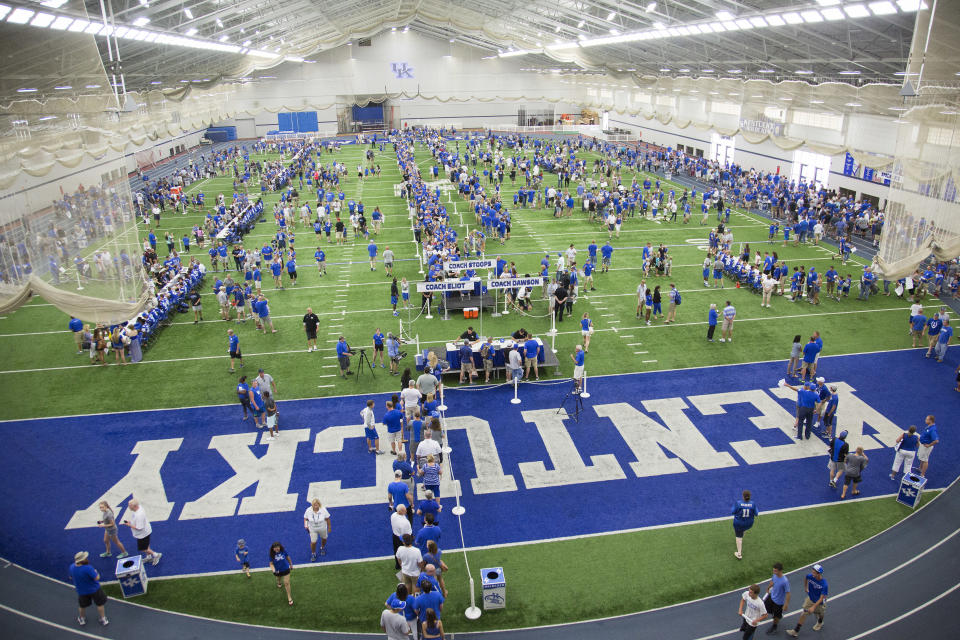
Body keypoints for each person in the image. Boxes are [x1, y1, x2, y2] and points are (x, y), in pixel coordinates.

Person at [785, 564, 828, 636]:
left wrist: (813, 607)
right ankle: (796, 631)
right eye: (812, 571)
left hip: (819, 602)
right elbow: (806, 578)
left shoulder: (824, 584)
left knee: (821, 613)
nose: (812, 573)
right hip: (810, 599)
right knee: (804, 613)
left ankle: (820, 622)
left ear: (819, 574)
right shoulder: (810, 576)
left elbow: (821, 598)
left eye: (814, 573)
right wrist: (805, 587)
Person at [70, 551, 109, 627]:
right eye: (85, 558)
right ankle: (103, 619)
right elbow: (97, 578)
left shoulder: (71, 567)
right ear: (82, 560)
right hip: (94, 589)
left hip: (81, 591)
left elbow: (71, 577)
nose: (86, 558)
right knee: (100, 604)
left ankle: (82, 618)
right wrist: (96, 572)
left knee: (82, 606)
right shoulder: (88, 568)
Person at [122, 498, 161, 565]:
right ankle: (149, 557)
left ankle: (156, 555)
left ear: (134, 506)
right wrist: (131, 522)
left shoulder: (139, 515)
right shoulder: (138, 508)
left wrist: (129, 525)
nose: (128, 507)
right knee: (146, 546)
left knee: (143, 548)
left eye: (130, 505)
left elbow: (139, 528)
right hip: (146, 531)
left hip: (143, 534)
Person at [764, 562, 790, 635]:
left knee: (775, 616)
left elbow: (788, 593)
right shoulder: (774, 575)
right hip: (772, 596)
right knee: (766, 608)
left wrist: (786, 605)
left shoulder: (785, 581)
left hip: (778, 602)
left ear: (780, 571)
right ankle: (778, 615)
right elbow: (772, 581)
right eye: (773, 570)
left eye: (775, 571)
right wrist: (768, 587)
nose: (774, 572)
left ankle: (774, 626)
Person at [732, 489, 757, 560]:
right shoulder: (753, 504)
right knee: (743, 530)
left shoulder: (738, 503)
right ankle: (742, 533)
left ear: (743, 496)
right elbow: (756, 514)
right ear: (750, 496)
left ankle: (739, 554)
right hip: (749, 524)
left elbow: (733, 512)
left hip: (739, 524)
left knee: (738, 537)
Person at [269, 541, 294, 605]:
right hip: (278, 571)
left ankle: (289, 597)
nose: (276, 549)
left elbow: (288, 558)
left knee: (287, 583)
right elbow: (271, 564)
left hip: (285, 569)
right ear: (273, 548)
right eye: (275, 548)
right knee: (278, 579)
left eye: (277, 547)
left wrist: (291, 564)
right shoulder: (271, 554)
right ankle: (279, 582)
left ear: (280, 547)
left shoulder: (283, 551)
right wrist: (274, 571)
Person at [391, 505, 413, 573]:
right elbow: (408, 534)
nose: (406, 511)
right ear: (400, 511)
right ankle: (405, 567)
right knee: (405, 553)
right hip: (402, 539)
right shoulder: (405, 522)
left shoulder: (393, 515)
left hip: (395, 536)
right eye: (404, 510)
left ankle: (397, 565)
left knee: (396, 551)